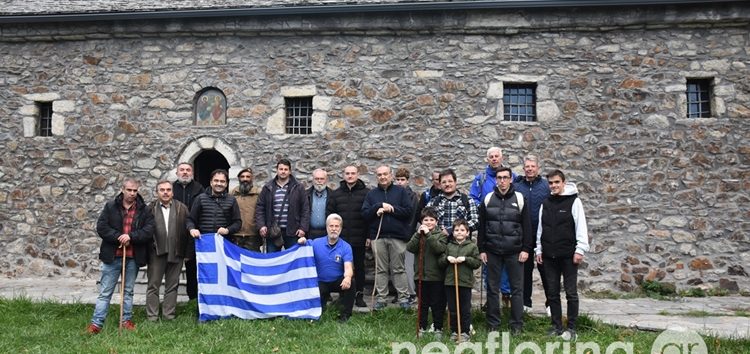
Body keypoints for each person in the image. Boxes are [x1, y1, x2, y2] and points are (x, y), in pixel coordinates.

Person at [86, 178, 155, 334]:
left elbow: (149, 230)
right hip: (112, 256)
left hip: (133, 257)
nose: (132, 193)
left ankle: (126, 321)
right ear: (122, 189)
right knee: (105, 292)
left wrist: (131, 236)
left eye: (135, 190)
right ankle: (96, 324)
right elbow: (102, 227)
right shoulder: (111, 207)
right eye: (129, 190)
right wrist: (119, 236)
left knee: (128, 291)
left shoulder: (144, 210)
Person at [478, 167, 533, 335]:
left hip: (515, 251)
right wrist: (482, 249)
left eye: (505, 178)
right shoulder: (487, 199)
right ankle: (493, 324)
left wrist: (526, 249)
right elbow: (482, 227)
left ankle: (516, 325)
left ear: (511, 179)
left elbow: (527, 226)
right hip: (493, 250)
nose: (502, 181)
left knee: (517, 290)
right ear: (496, 180)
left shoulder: (520, 198)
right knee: (492, 289)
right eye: (499, 178)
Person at [536, 169, 590, 341]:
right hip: (549, 255)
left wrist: (580, 249)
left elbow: (581, 226)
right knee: (552, 293)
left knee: (571, 293)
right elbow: (540, 229)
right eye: (551, 183)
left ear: (563, 183)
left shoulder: (574, 201)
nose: (553, 186)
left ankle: (572, 327)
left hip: (568, 255)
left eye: (556, 182)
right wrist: (539, 249)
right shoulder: (545, 203)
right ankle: (556, 326)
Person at [362, 165, 414, 310]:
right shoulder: (371, 194)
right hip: (378, 237)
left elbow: (409, 212)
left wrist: (393, 209)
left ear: (391, 175)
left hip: (398, 236)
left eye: (385, 174)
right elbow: (365, 214)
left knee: (398, 269)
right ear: (376, 177)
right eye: (379, 175)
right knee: (380, 269)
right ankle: (381, 298)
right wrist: (377, 208)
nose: (383, 177)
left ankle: (403, 298)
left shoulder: (401, 192)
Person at [469, 147, 514, 307]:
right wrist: (483, 207)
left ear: (502, 158)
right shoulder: (480, 178)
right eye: (491, 157)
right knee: (489, 263)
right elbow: (472, 197)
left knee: (507, 266)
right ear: (487, 159)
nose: (494, 159)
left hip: (508, 226)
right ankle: (491, 298)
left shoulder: (512, 177)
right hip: (489, 225)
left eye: (497, 156)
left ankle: (507, 296)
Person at [146, 180, 190, 321]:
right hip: (156, 252)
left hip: (177, 252)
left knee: (172, 285)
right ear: (157, 192)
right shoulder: (150, 208)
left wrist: (187, 253)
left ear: (172, 192)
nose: (165, 192)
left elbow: (188, 230)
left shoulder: (182, 208)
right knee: (153, 285)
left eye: (168, 190)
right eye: (162, 190)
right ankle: (152, 316)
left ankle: (168, 315)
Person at [297, 214, 354, 322]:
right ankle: (320, 310)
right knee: (320, 314)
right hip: (320, 282)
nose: (334, 229)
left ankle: (345, 315)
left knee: (352, 283)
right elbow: (305, 245)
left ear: (340, 229)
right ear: (327, 228)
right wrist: (302, 241)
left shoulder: (346, 247)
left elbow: (348, 267)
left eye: (337, 226)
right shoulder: (316, 243)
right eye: (331, 226)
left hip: (338, 281)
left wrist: (347, 277)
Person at [327, 165, 370, 308]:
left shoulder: (366, 193)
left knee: (359, 267)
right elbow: (330, 216)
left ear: (358, 174)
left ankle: (359, 295)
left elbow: (369, 218)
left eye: (353, 173)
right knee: (341, 268)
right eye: (347, 173)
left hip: (359, 238)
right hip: (341, 241)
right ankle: (343, 295)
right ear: (343, 175)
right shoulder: (336, 194)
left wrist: (369, 236)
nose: (350, 176)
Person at [513, 155, 551, 314]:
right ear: (524, 168)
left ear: (538, 168)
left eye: (532, 166)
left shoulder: (546, 186)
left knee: (547, 271)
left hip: (543, 235)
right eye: (527, 166)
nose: (529, 169)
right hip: (523, 236)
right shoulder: (516, 186)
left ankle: (551, 304)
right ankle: (526, 303)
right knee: (524, 272)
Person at [405, 207, 447, 339]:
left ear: (436, 221)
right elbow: (410, 248)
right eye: (426, 220)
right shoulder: (418, 235)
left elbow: (439, 249)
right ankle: (422, 327)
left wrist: (428, 235)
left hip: (436, 277)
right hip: (420, 276)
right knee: (422, 304)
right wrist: (418, 235)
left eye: (431, 220)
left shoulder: (441, 235)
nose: (428, 222)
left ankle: (438, 327)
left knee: (437, 304)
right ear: (421, 221)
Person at [255, 159, 310, 252]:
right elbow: (260, 207)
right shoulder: (268, 187)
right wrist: (261, 225)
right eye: (281, 169)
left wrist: (303, 228)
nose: (283, 171)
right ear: (277, 170)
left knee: (293, 260)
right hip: (273, 231)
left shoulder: (298, 187)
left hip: (293, 231)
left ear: (290, 171)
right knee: (272, 260)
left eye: (286, 169)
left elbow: (305, 209)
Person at [440, 219, 480, 343]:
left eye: (462, 230)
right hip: (450, 282)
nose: (459, 232)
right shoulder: (448, 246)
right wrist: (447, 259)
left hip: (465, 282)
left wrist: (466, 259)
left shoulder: (472, 246)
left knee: (464, 308)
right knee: (452, 308)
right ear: (453, 232)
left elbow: (477, 262)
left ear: (467, 233)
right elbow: (440, 261)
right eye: (456, 230)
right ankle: (454, 330)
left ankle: (465, 331)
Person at [172, 162, 203, 301]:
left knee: (192, 269)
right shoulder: (170, 188)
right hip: (174, 234)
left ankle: (193, 299)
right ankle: (171, 299)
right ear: (177, 173)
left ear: (192, 173)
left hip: (193, 234)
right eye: (182, 170)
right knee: (172, 269)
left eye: (188, 170)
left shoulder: (199, 189)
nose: (185, 172)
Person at [186, 169, 242, 241]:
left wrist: (227, 230)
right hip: (203, 240)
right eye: (216, 180)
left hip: (224, 241)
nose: (219, 183)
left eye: (222, 181)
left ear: (226, 184)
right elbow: (190, 219)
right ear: (211, 182)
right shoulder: (200, 198)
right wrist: (192, 229)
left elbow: (238, 222)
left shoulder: (232, 200)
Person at [427, 168, 479, 239]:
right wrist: (439, 232)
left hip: (461, 246)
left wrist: (452, 230)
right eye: (444, 182)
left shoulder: (467, 200)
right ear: (440, 184)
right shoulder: (433, 202)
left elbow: (475, 221)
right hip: (439, 244)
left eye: (450, 181)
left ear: (455, 182)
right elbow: (426, 222)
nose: (447, 184)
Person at [395, 167, 419, 303]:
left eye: (402, 180)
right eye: (397, 180)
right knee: (396, 266)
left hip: (407, 236)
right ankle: (400, 292)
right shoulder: (394, 195)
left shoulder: (412, 196)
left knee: (408, 266)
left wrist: (407, 236)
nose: (400, 182)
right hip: (395, 235)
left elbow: (413, 217)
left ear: (407, 181)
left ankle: (411, 293)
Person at [229, 168, 262, 251]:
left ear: (252, 178)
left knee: (253, 261)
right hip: (236, 234)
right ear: (239, 178)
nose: (245, 179)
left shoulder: (258, 194)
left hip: (253, 235)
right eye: (242, 176)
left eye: (248, 177)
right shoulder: (232, 194)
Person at [307, 168, 331, 239]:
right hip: (309, 233)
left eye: (322, 179)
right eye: (317, 179)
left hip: (326, 233)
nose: (319, 181)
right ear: (313, 180)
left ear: (326, 180)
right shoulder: (306, 195)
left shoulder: (333, 195)